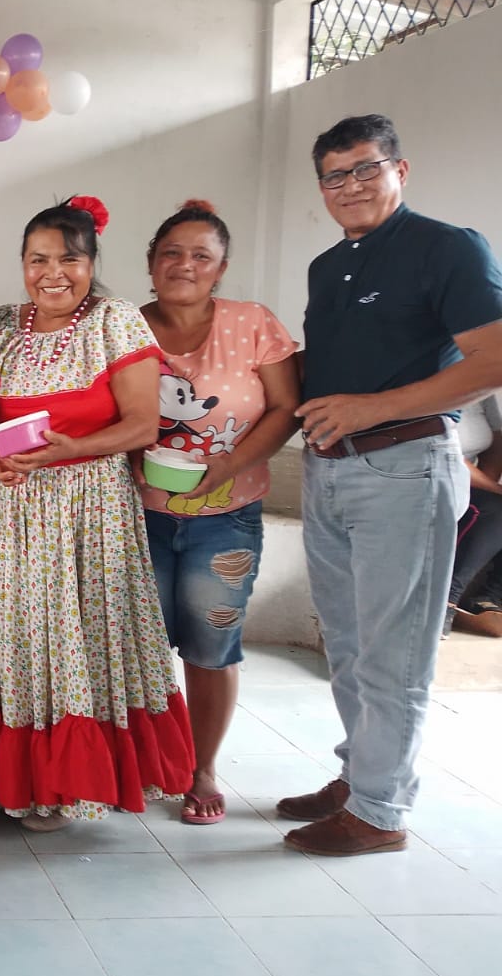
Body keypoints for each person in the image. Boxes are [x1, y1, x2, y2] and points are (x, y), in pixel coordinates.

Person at [284, 113, 502, 855]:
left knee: (394, 650)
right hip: (329, 467)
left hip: (404, 466)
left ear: (399, 171)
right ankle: (360, 777)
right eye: (334, 175)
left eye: (365, 168)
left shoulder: (448, 248)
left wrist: (372, 408)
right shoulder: (328, 266)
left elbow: (493, 358)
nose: (350, 186)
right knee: (347, 643)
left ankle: (380, 812)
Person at [0, 196, 194, 831]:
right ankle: (26, 780)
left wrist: (70, 450)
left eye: (69, 260)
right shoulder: (1, 325)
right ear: (21, 264)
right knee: (23, 639)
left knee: (83, 638)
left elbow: (142, 424)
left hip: (89, 509)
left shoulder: (115, 322)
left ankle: (75, 784)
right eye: (38, 260)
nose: (53, 274)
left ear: (92, 263)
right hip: (15, 508)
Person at [137, 200, 300, 825]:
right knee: (139, 644)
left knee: (210, 644)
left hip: (227, 514)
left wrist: (227, 465)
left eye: (201, 256)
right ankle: (147, 760)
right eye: (171, 253)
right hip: (139, 515)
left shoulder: (253, 324)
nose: (185, 265)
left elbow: (285, 408)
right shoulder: (124, 327)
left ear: (221, 267)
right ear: (151, 262)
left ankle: (201, 768)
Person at [442, 394, 502, 637]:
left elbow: (497, 442)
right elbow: (443, 448)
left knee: (493, 504)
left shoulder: (483, 391)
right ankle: (444, 601)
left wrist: (487, 485)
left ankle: (490, 597)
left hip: (468, 480)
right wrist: (493, 490)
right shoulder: (432, 382)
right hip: (431, 474)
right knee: (494, 509)